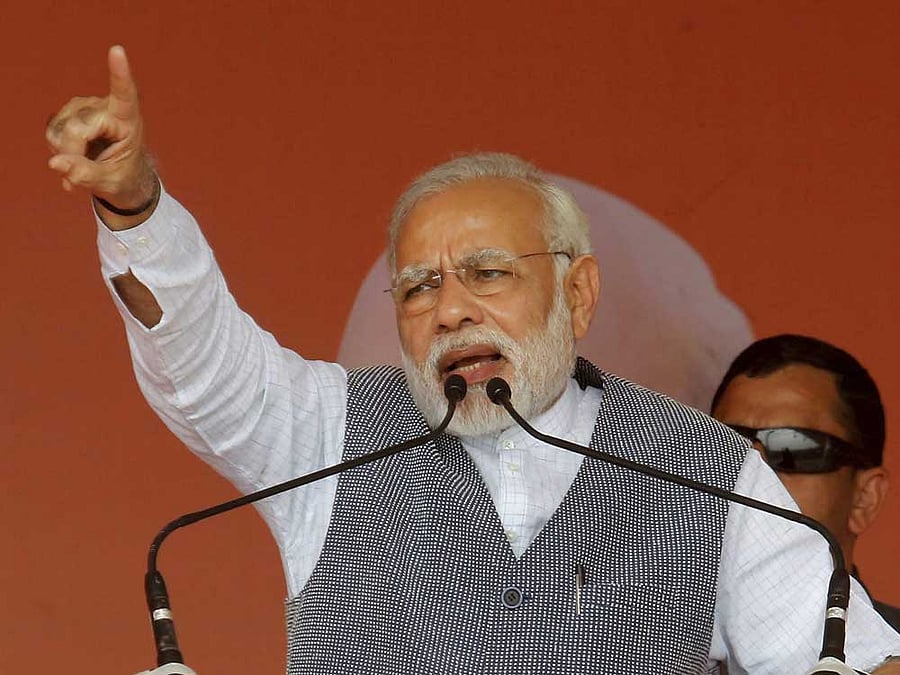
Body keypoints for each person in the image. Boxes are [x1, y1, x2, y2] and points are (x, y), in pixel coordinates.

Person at [46, 46, 900, 674]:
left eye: (487, 273)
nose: (450, 307)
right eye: (418, 287)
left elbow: (856, 658)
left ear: (577, 295)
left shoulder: (703, 468)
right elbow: (203, 367)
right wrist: (134, 208)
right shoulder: (329, 438)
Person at [710, 333, 900, 631]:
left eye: (792, 448)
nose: (753, 474)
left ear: (865, 498)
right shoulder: (648, 643)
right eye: (730, 447)